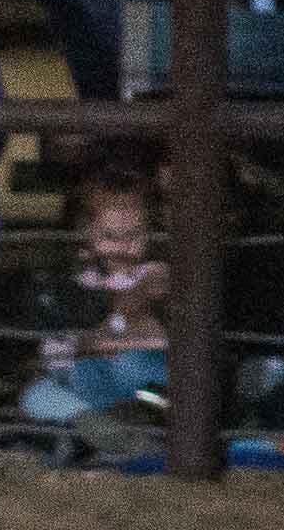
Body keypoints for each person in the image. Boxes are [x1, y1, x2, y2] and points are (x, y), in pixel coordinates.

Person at [11, 172, 171, 437]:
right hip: (90, 383)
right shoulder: (78, 285)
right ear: (87, 235)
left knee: (131, 366)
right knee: (37, 395)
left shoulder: (153, 274)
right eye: (110, 236)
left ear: (151, 233)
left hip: (138, 379)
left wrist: (113, 334)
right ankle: (99, 426)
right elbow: (57, 348)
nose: (122, 246)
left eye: (135, 235)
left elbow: (155, 325)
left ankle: (144, 418)